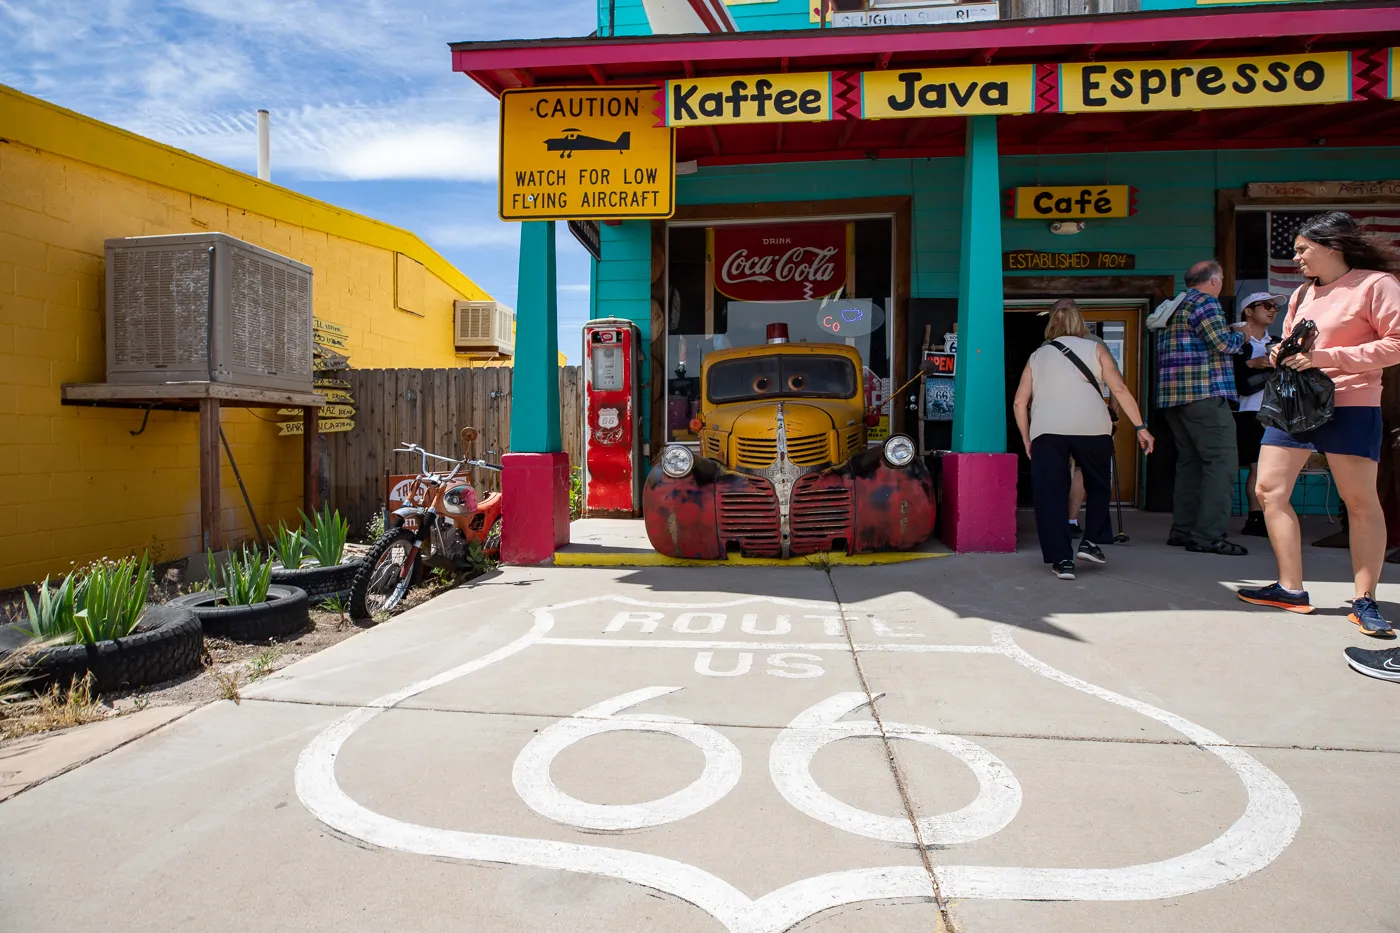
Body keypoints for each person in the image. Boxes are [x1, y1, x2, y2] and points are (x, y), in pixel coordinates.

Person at [1234, 212, 1400, 648]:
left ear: (1333, 247)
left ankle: (1364, 601)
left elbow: (1396, 344)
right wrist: (1278, 353)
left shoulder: (1376, 285)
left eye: (1304, 249)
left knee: (1360, 502)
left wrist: (1328, 357)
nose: (1297, 257)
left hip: (1351, 403)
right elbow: (1290, 341)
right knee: (1268, 490)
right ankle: (1291, 588)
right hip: (1295, 403)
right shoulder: (1303, 293)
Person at [1014, 301, 1154, 580]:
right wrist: (1141, 426)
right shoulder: (1096, 349)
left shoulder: (1037, 356)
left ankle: (1062, 560)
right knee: (1098, 484)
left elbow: (1020, 402)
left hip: (1048, 431)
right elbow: (1120, 389)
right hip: (1093, 429)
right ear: (1081, 323)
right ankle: (1090, 541)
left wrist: (1027, 437)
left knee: (1051, 494)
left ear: (1051, 324)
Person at [1157, 260, 1248, 555]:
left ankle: (1183, 530)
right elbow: (1222, 343)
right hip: (1205, 394)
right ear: (1215, 280)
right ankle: (1208, 535)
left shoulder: (1175, 305)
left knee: (1190, 464)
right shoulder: (1207, 303)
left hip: (1175, 397)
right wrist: (1243, 335)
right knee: (1221, 464)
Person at [1231, 292, 1281, 536]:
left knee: (1274, 468)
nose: (1272, 310)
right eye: (1266, 305)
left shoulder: (1278, 342)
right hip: (1249, 411)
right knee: (1257, 466)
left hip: (1279, 412)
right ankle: (1255, 517)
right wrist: (1252, 363)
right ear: (1248, 311)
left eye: (1275, 307)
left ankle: (1271, 515)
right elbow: (1232, 376)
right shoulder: (1237, 344)